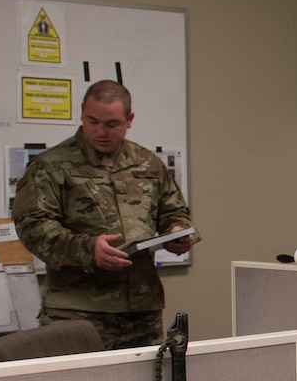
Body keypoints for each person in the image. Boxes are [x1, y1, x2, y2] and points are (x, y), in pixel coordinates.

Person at [11, 80, 195, 349]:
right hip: (77, 310)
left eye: (111, 124)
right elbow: (32, 226)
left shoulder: (147, 163)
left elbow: (174, 211)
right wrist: (87, 249)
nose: (100, 131)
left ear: (129, 120)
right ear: (82, 114)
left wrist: (178, 231)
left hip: (141, 310)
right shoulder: (51, 165)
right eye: (92, 121)